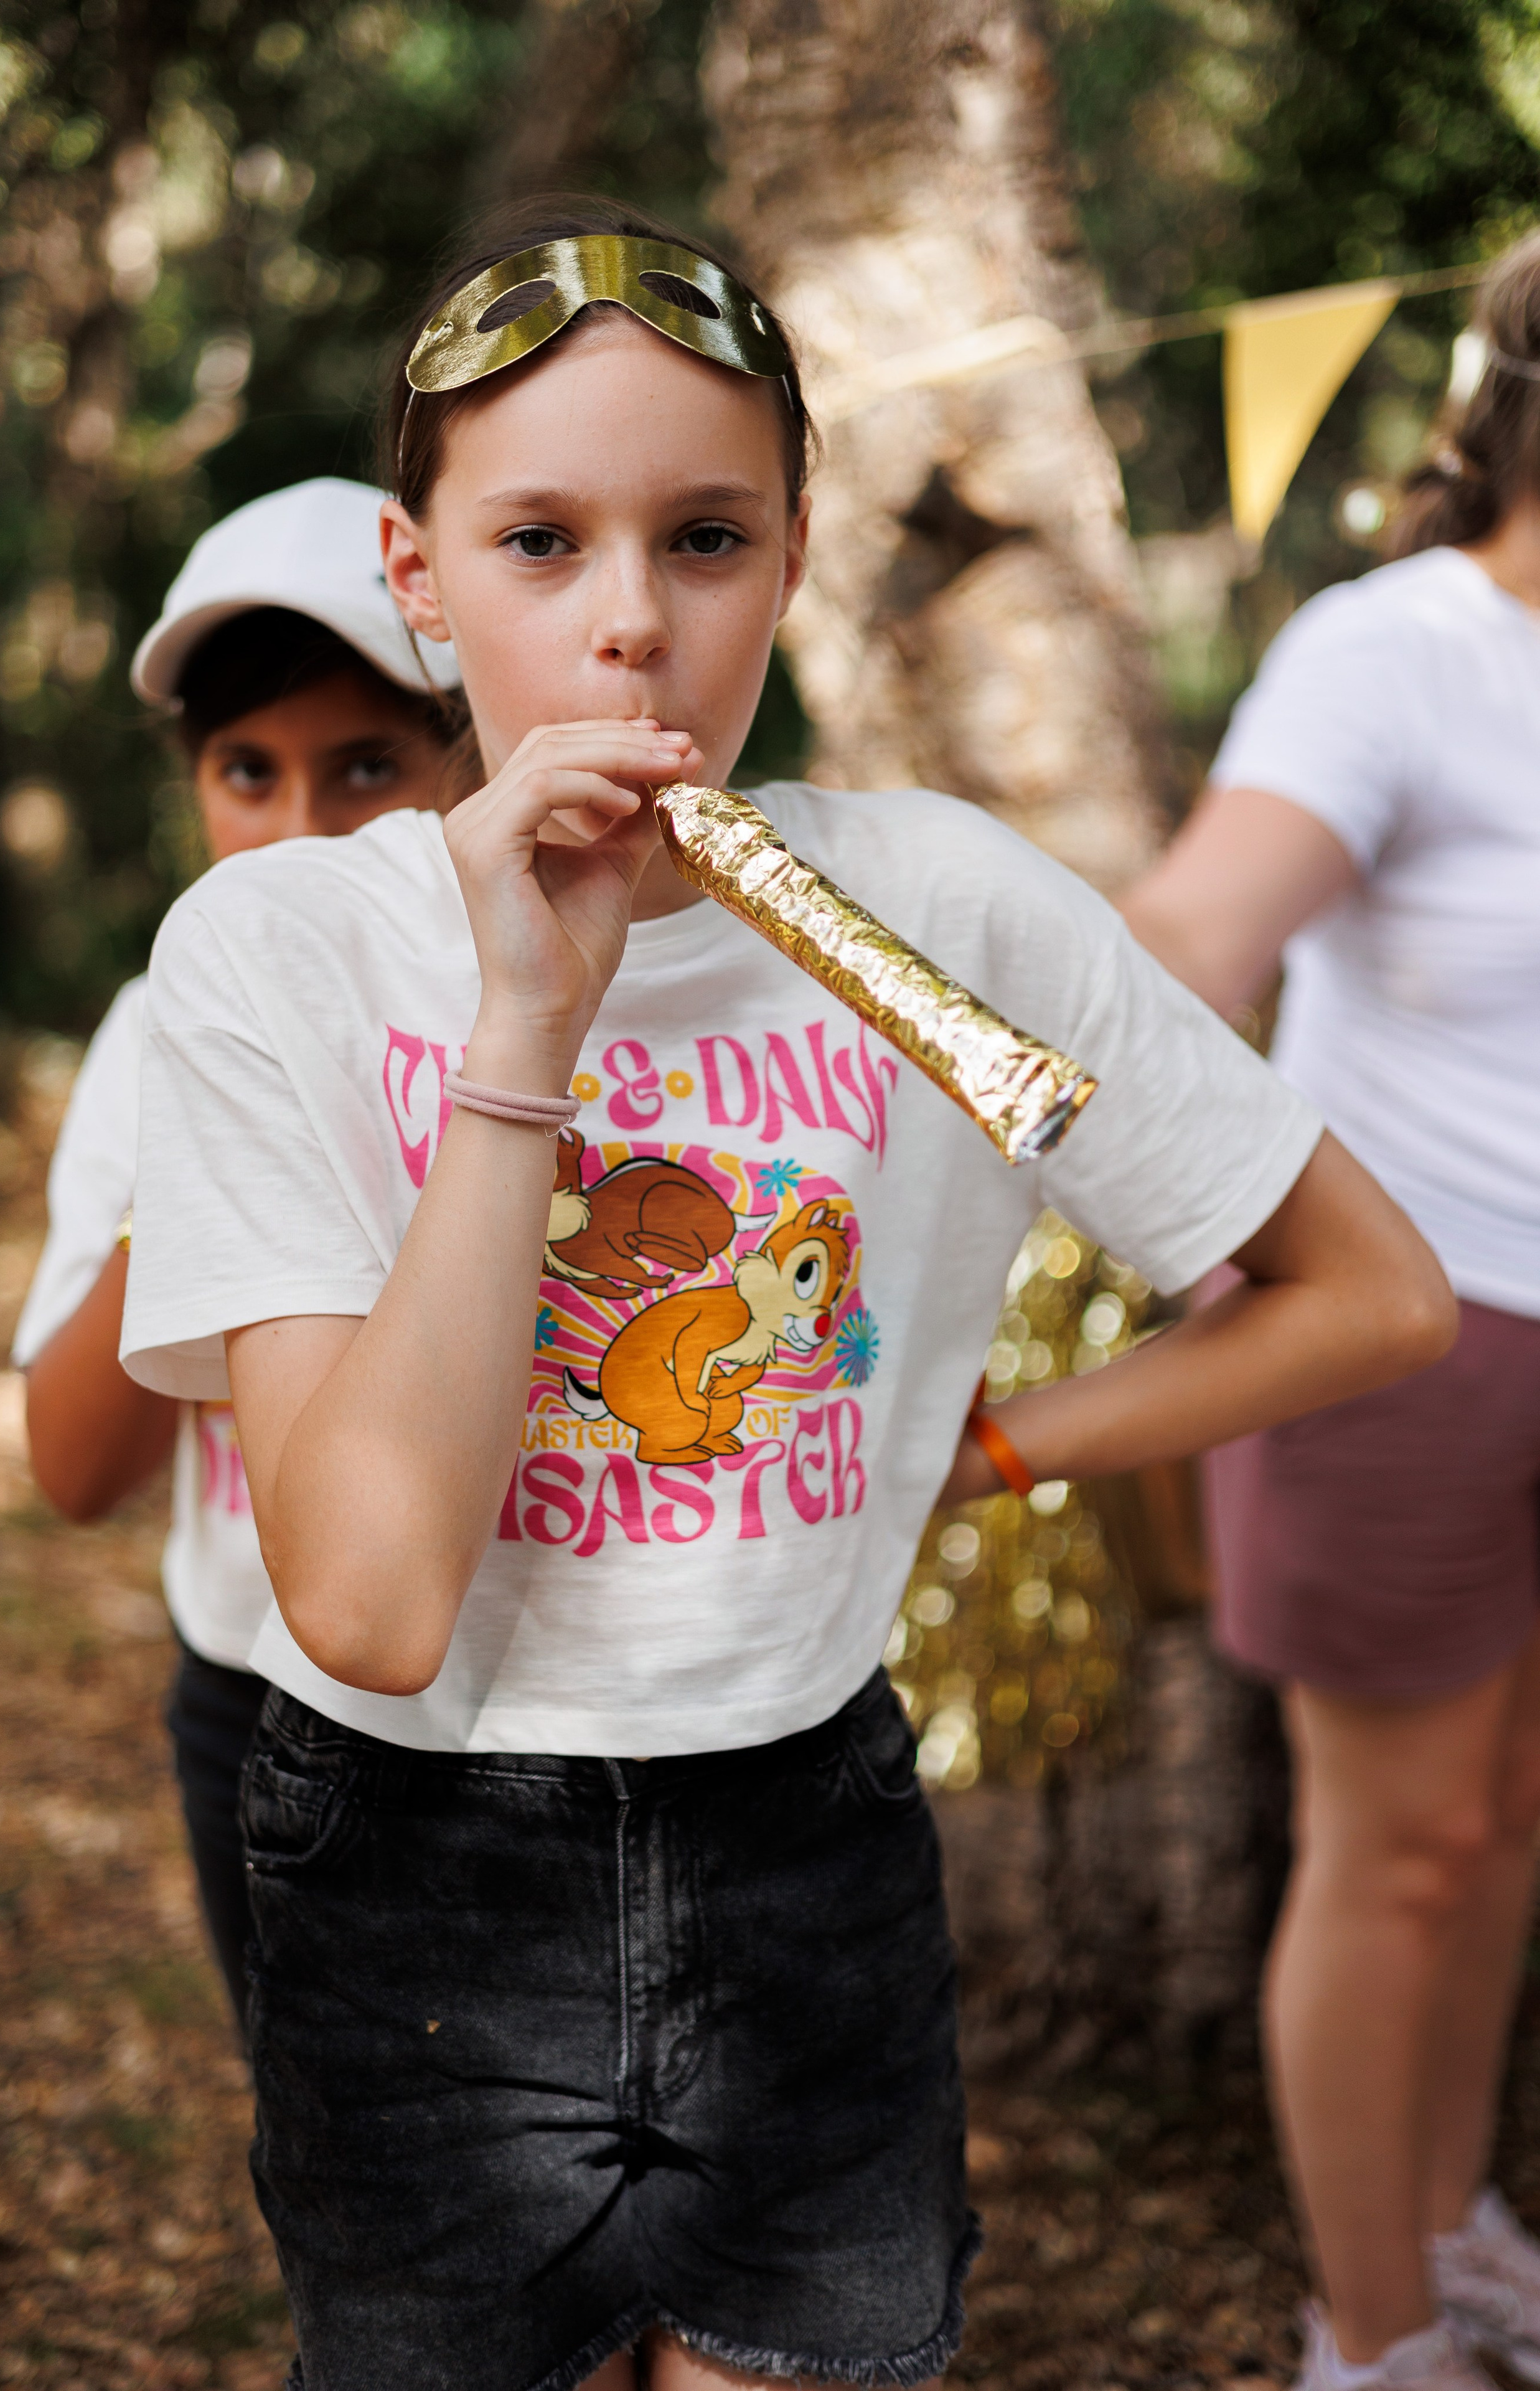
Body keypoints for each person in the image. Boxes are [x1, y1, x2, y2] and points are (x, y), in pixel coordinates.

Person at [119, 193, 1453, 2391]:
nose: (631, 628)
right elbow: (364, 1603)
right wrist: (527, 1031)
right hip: (415, 1852)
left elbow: (1368, 1296)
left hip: (801, 1827)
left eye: (708, 538)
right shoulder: (281, 952)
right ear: (419, 578)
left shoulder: (943, 909)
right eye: (542, 543)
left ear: (798, 551)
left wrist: (983, 1452)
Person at [1120, 230, 1540, 2391]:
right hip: (1421, 1324)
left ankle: (1450, 2231)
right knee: (1403, 1845)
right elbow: (1194, 928)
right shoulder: (1397, 656)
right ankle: (1368, 2344)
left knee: (1514, 1814)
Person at [14, 476, 461, 2036]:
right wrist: (213, 1151)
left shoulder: (544, 1016)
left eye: (366, 766)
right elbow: (72, 1472)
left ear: (468, 755)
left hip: (535, 1717)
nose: (297, 831)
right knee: (359, 2207)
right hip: (262, 1712)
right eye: (244, 772)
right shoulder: (158, 1035)